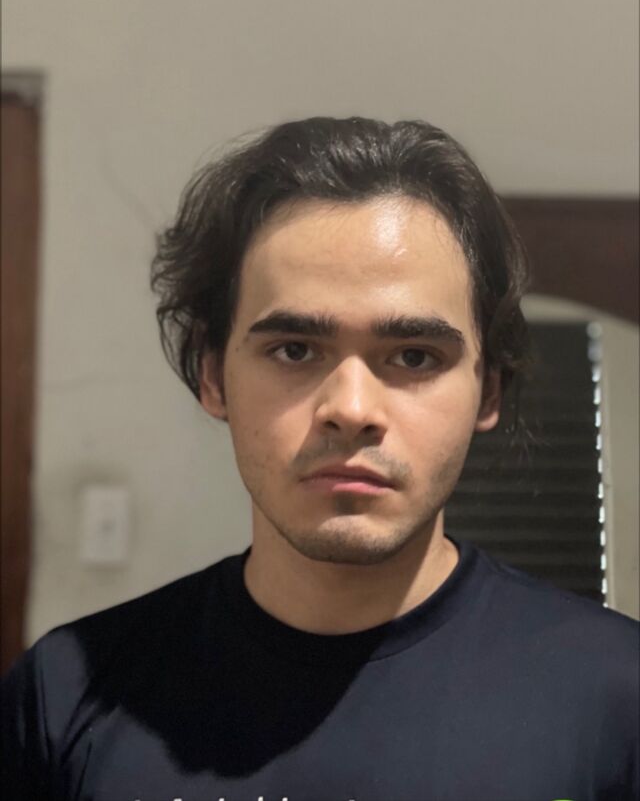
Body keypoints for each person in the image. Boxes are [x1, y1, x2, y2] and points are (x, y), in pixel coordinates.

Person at [2, 117, 638, 801]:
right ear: (213, 376)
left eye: (414, 356)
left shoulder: (615, 696)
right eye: (295, 350)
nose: (352, 408)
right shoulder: (67, 696)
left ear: (488, 390)